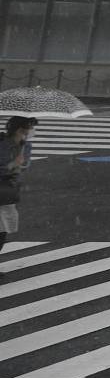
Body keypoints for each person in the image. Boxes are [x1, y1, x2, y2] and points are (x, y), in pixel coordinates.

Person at [0, 116, 36, 272]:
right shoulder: (2, 144)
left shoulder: (26, 145)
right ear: (19, 129)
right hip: (3, 188)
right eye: (29, 128)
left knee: (3, 230)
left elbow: (24, 165)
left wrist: (21, 164)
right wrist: (13, 164)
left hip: (8, 192)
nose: (31, 131)